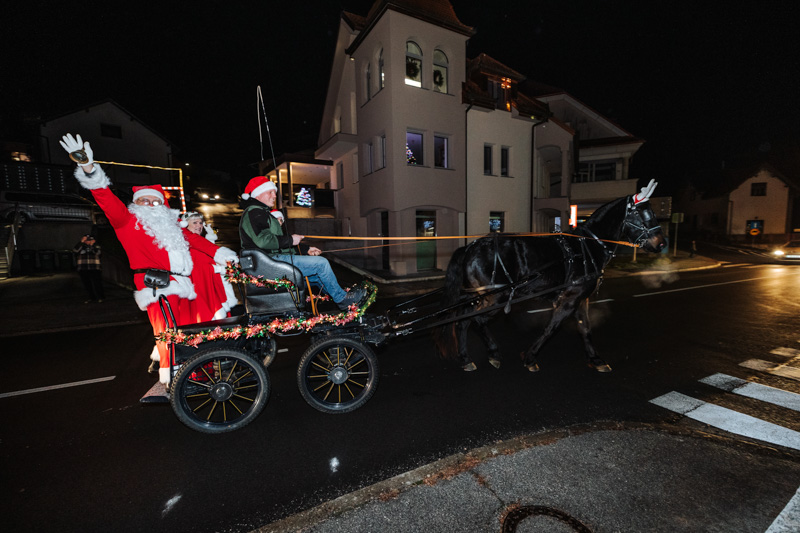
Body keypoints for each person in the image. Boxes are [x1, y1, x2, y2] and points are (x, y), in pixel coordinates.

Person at [60, 133, 196, 385]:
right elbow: (105, 197)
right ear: (136, 204)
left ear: (163, 206)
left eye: (155, 201)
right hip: (155, 284)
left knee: (185, 329)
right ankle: (174, 376)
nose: (150, 204)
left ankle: (188, 367)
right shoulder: (127, 221)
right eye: (144, 200)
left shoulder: (172, 227)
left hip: (182, 284)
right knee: (167, 331)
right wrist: (88, 167)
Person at [238, 176, 365, 310]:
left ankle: (342, 298)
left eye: (274, 192)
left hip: (269, 260)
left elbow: (278, 246)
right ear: (258, 194)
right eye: (270, 192)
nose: (274, 196)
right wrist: (291, 239)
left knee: (317, 275)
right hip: (268, 262)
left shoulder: (260, 212)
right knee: (321, 264)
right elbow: (264, 241)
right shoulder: (255, 212)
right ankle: (343, 300)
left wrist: (306, 249)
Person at [180, 211, 238, 322]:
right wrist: (218, 269)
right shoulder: (189, 247)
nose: (199, 225)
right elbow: (199, 268)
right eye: (195, 222)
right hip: (201, 288)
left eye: (200, 223)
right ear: (186, 225)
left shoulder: (201, 243)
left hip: (212, 286)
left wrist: (210, 240)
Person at [73, 234, 105, 303]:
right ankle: (92, 297)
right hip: (83, 268)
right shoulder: (81, 246)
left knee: (97, 283)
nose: (87, 241)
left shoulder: (96, 246)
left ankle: (100, 297)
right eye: (86, 240)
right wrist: (81, 242)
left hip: (94, 267)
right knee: (87, 284)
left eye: (89, 240)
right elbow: (75, 250)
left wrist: (92, 245)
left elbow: (98, 253)